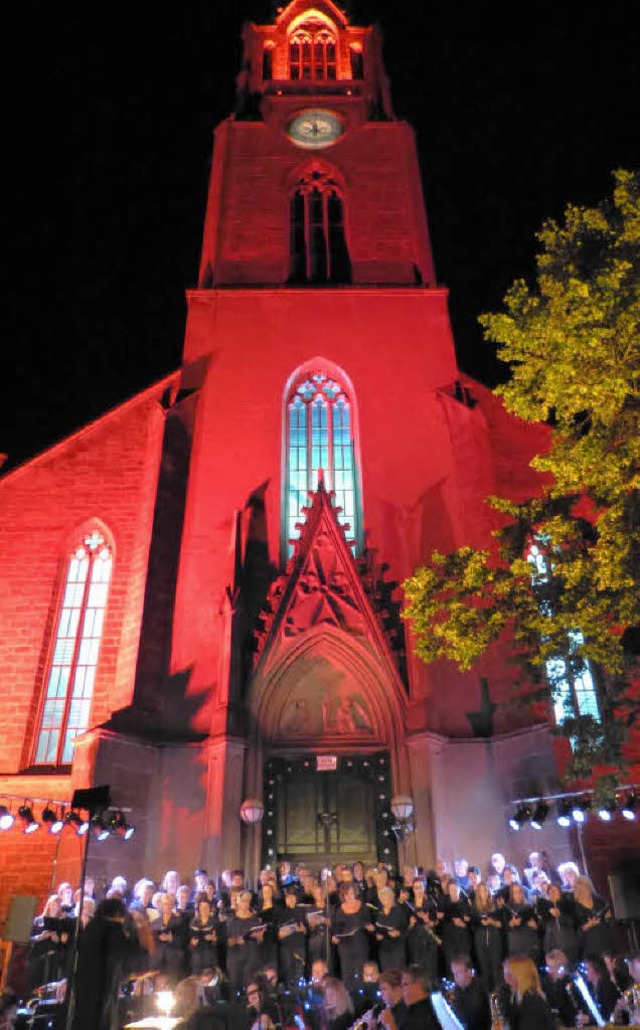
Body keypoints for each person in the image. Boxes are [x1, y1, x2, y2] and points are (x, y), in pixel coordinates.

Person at [71, 897, 147, 1030]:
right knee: (101, 1020)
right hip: (103, 984)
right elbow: (128, 953)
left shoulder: (92, 926)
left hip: (84, 983)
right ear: (117, 914)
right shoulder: (113, 929)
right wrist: (137, 929)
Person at [331, 882, 374, 992]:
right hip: (345, 946)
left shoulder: (362, 906)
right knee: (347, 975)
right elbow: (336, 928)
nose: (349, 896)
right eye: (346, 894)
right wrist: (335, 937)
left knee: (361, 973)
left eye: (351, 893)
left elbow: (368, 923)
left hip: (360, 944)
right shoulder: (339, 909)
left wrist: (369, 927)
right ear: (343, 895)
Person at [502, 955, 555, 1030]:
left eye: (509, 975)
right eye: (505, 974)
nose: (506, 979)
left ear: (521, 977)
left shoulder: (533, 1003)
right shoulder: (515, 997)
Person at [380, 964, 439, 1029]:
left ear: (418, 984)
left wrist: (390, 1024)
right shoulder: (414, 1009)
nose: (402, 990)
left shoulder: (423, 1013)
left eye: (405, 985)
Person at [470, 882, 503, 992]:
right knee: (484, 969)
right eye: (481, 890)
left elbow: (501, 924)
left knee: (496, 969)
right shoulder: (474, 906)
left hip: (494, 938)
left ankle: (499, 994)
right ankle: (487, 996)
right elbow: (472, 924)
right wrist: (479, 922)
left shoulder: (495, 904)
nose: (483, 893)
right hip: (480, 939)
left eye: (485, 890)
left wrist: (491, 921)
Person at [573, 875, 615, 957]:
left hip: (606, 943)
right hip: (590, 947)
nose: (586, 890)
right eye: (583, 887)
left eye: (587, 886)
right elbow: (575, 934)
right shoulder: (575, 908)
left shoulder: (600, 902)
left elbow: (610, 924)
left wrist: (608, 918)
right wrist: (587, 926)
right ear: (578, 890)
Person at [450, 954, 491, 1030]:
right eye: (454, 973)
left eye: (458, 973)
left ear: (469, 972)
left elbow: (470, 1019)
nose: (455, 977)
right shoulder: (459, 988)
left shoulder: (478, 991)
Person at [539, 949, 578, 1027]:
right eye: (548, 967)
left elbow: (571, 1005)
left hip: (568, 1021)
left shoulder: (569, 981)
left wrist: (559, 983)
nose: (550, 971)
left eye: (553, 968)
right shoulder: (545, 981)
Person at [374, 886, 409, 972]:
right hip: (384, 948)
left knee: (397, 974)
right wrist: (377, 935)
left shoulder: (399, 911)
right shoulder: (378, 912)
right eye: (384, 899)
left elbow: (405, 928)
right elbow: (376, 928)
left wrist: (399, 933)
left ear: (392, 898)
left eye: (389, 898)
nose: (387, 901)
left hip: (397, 948)